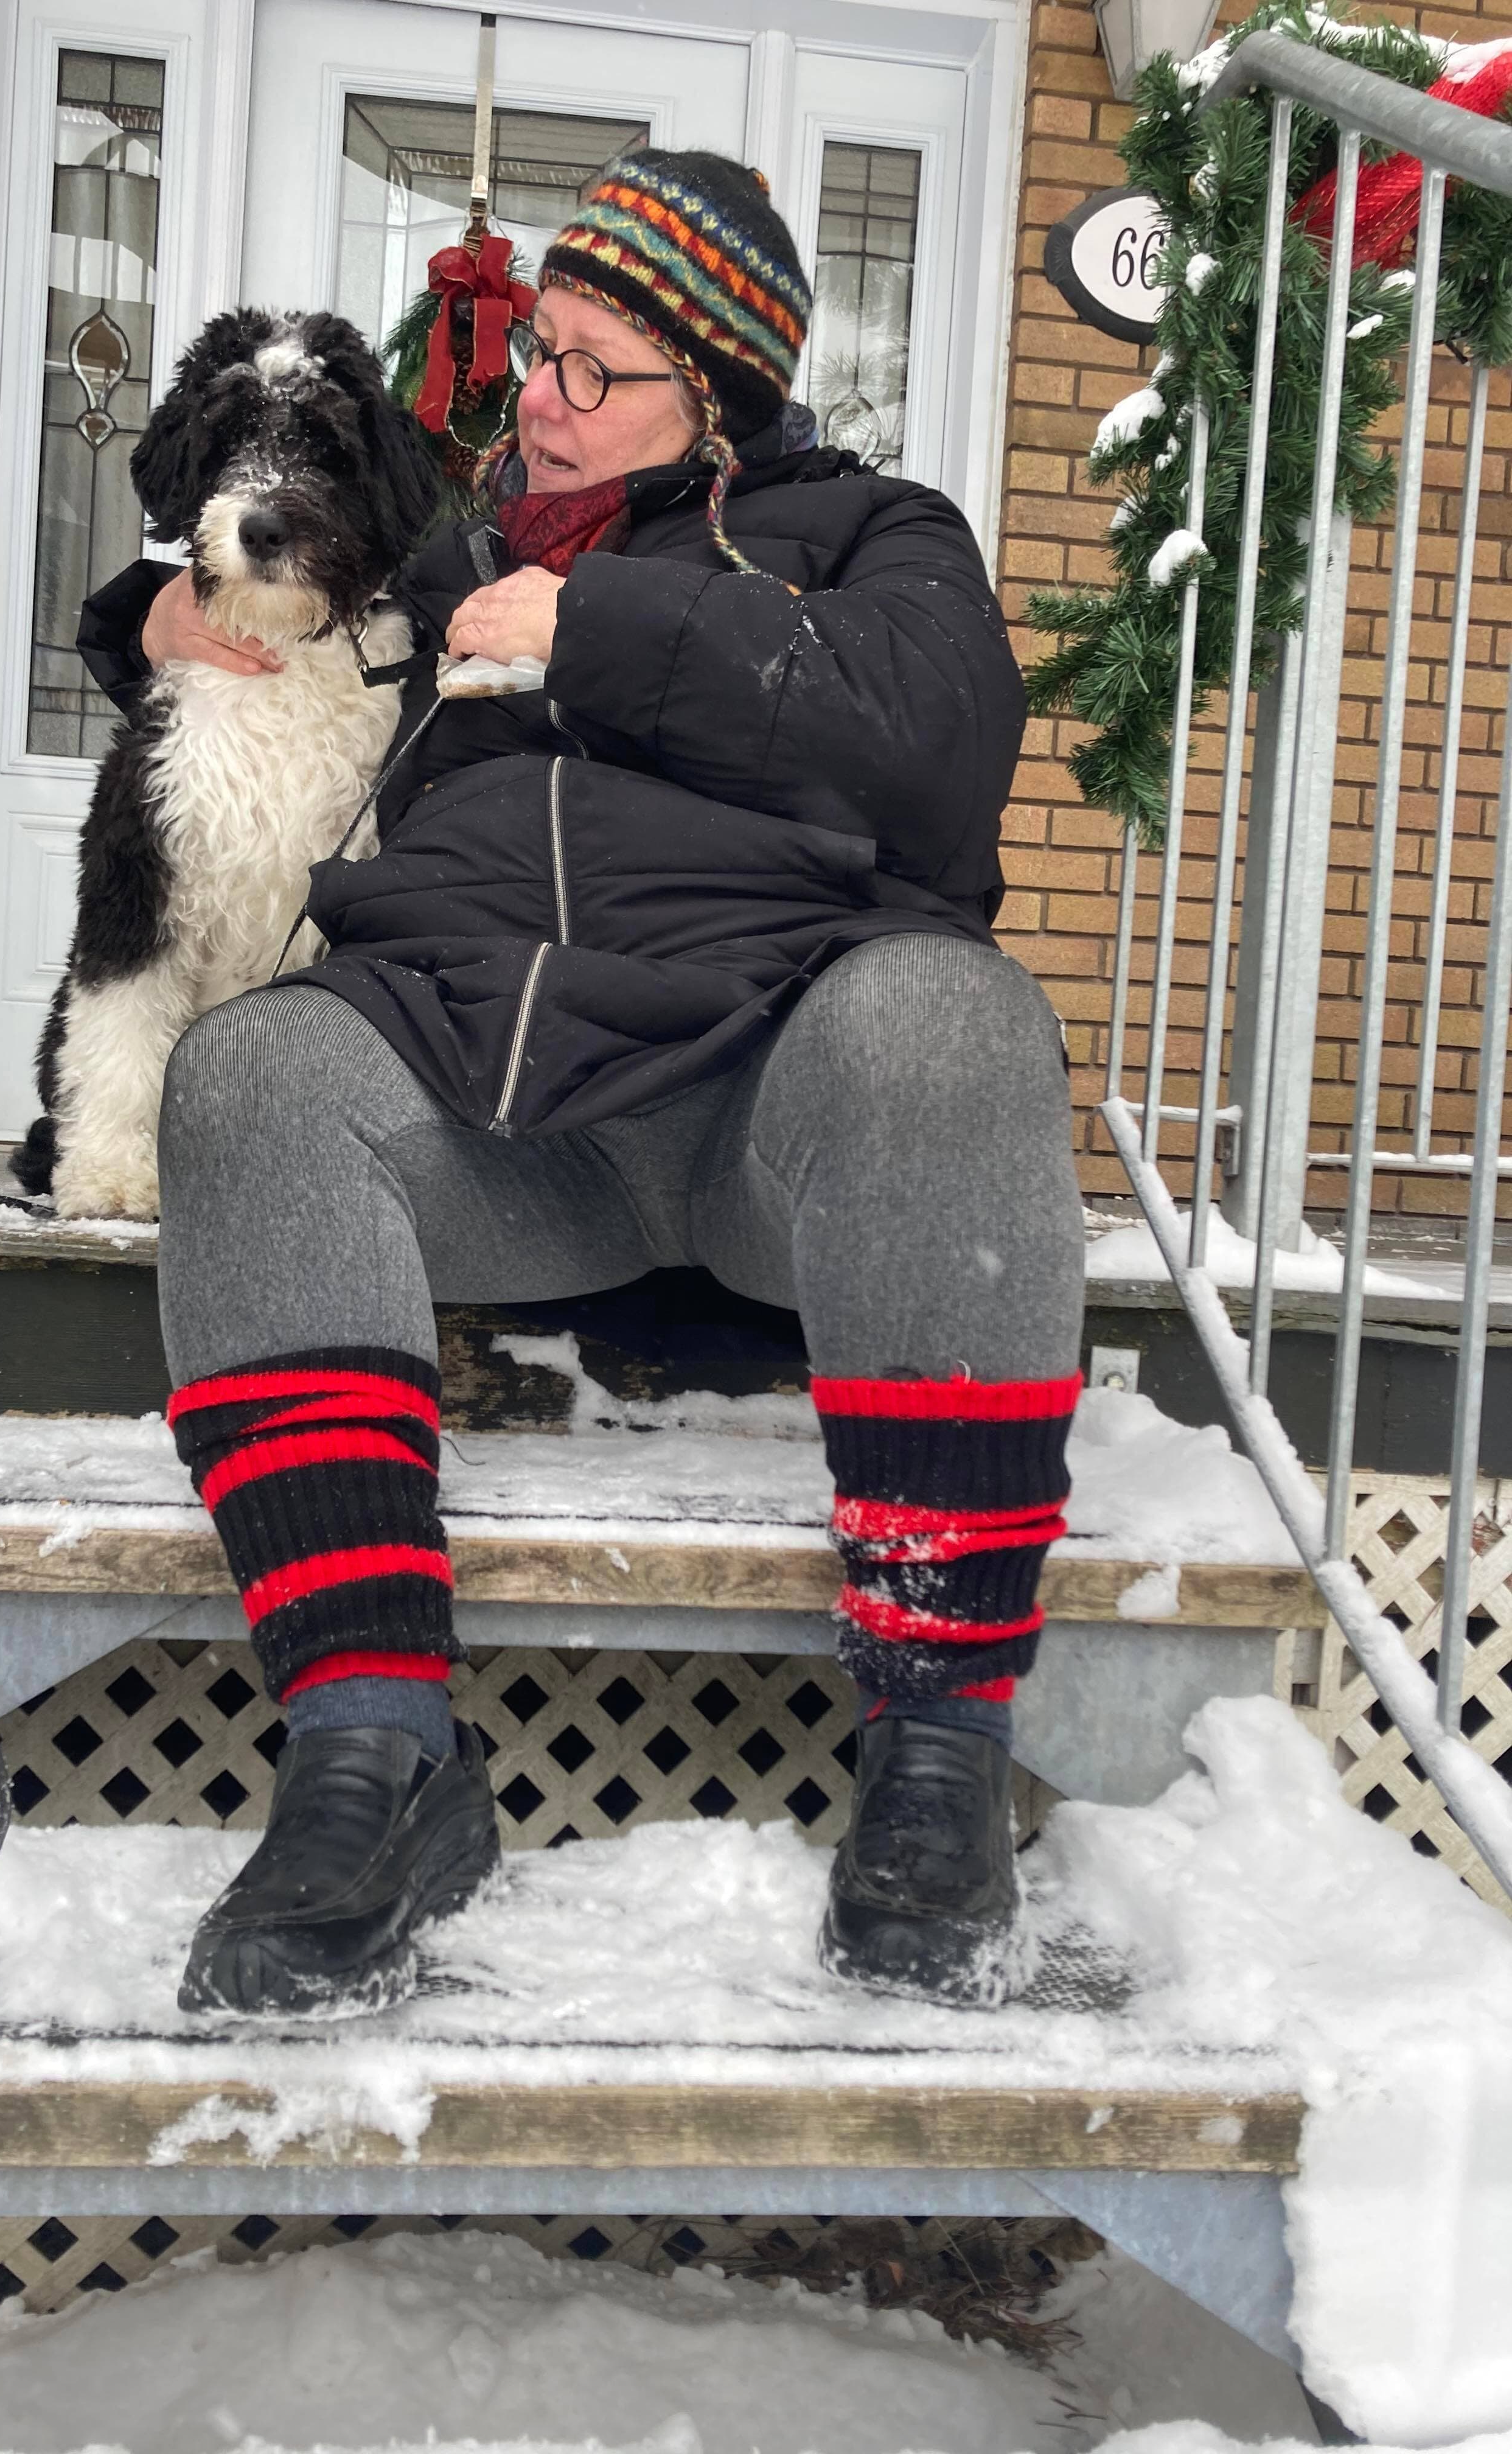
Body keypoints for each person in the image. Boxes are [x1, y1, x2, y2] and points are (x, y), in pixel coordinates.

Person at [76, 150, 1085, 2018]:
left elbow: (945, 741)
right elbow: (267, 576)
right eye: (536, 350)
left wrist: (599, 628)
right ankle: (374, 1757)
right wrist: (131, 623)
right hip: (500, 1120)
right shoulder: (457, 550)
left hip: (775, 1111)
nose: (530, 395)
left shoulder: (874, 535)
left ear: (721, 389)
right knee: (256, 1074)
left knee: (952, 1015)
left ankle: (939, 1751)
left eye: (588, 366)